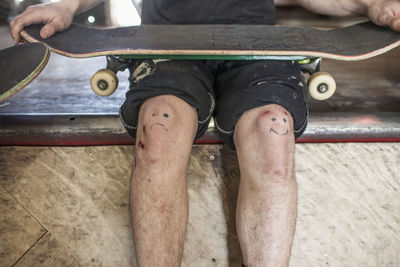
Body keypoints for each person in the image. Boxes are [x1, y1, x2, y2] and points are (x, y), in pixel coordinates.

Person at [9, 0, 400, 266]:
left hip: (256, 44)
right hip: (168, 44)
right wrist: (66, 6)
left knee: (272, 130)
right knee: (160, 128)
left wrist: (369, 5)